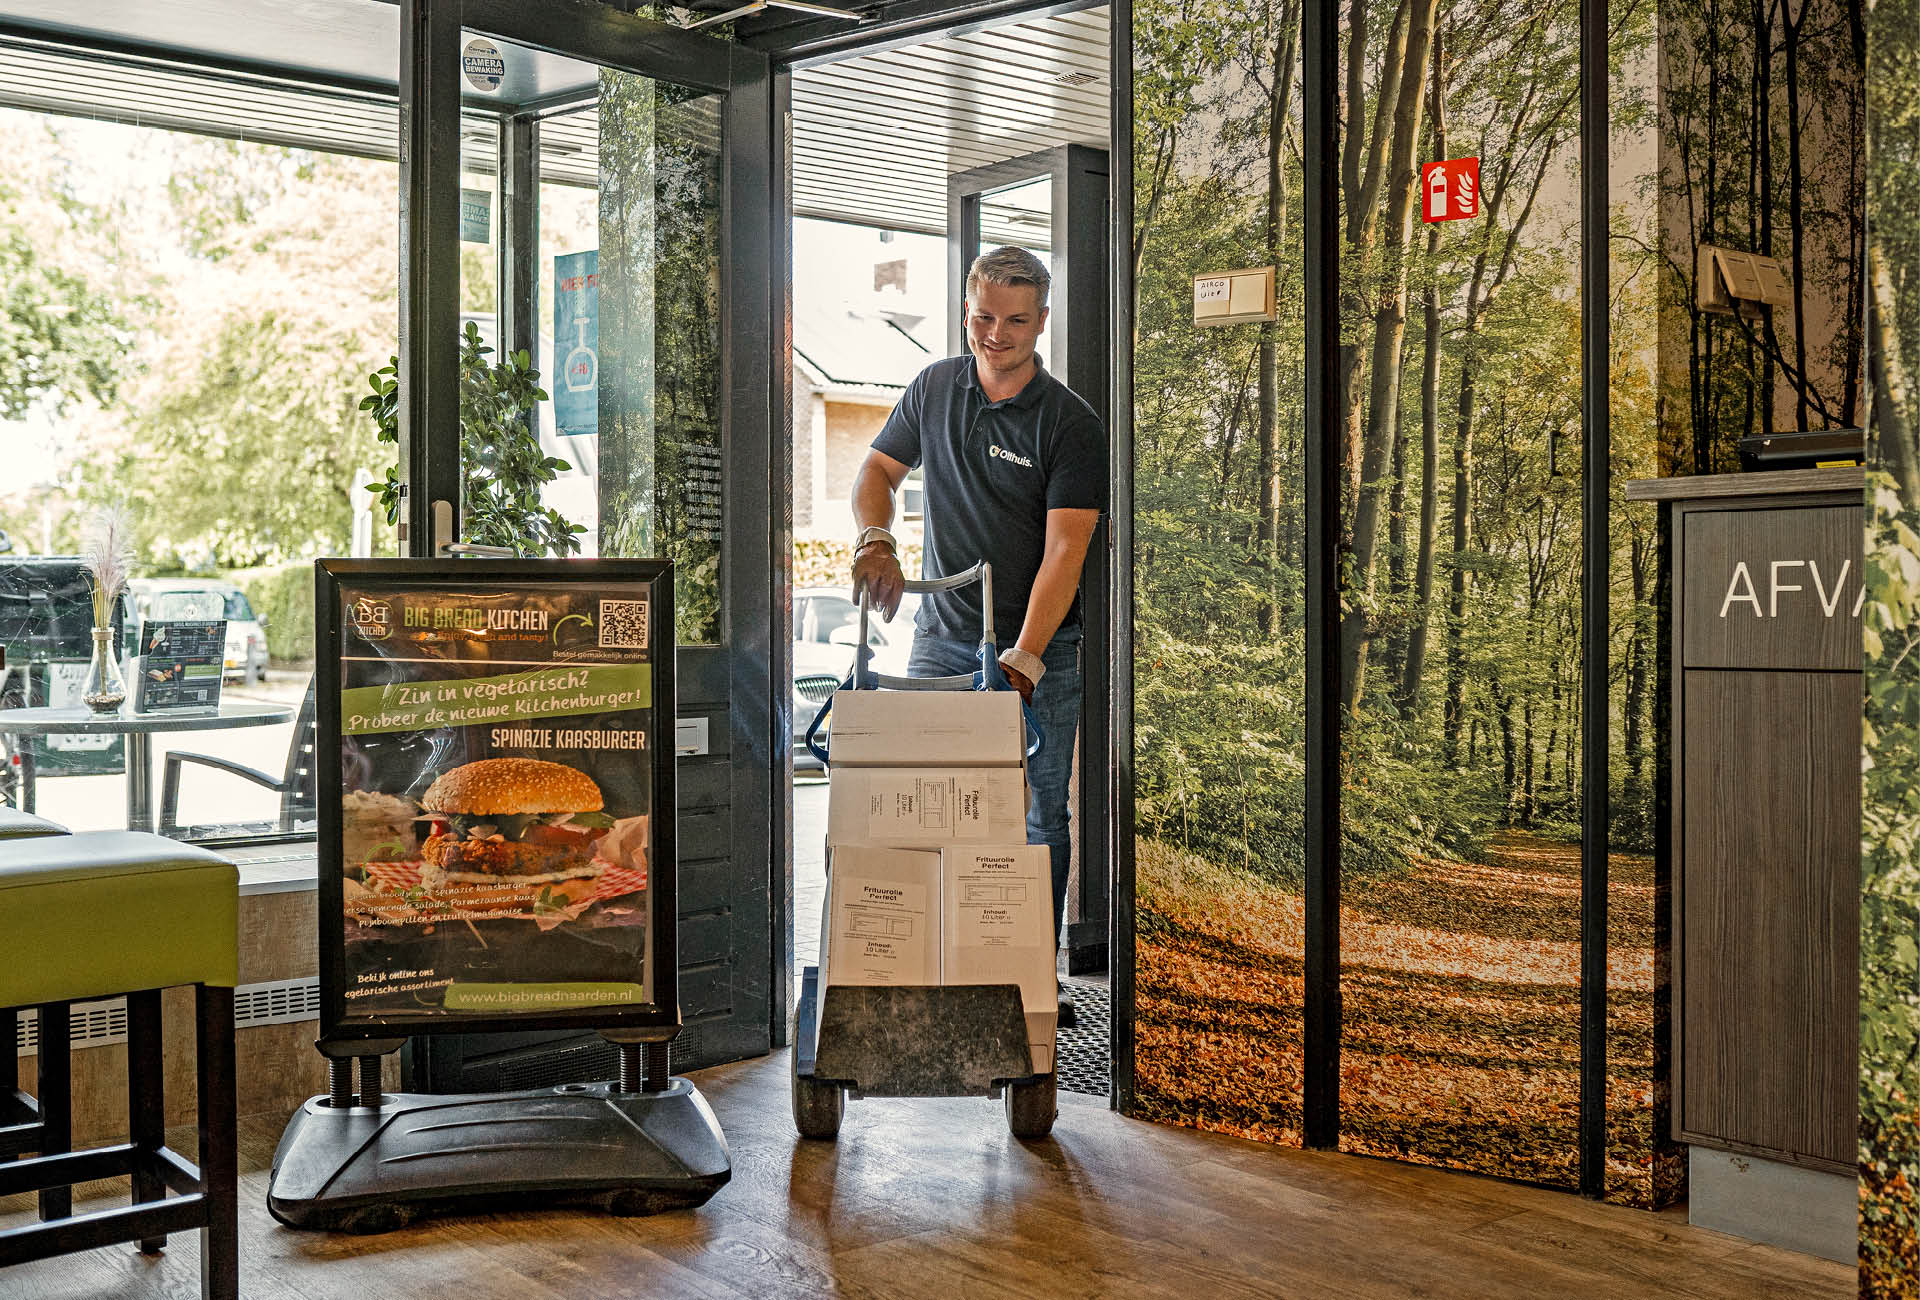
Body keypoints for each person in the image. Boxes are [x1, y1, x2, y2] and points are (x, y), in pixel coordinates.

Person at [849, 245, 1104, 1026]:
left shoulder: (1069, 423)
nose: (996, 335)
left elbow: (1067, 549)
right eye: (984, 316)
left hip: (1043, 646)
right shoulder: (933, 388)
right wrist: (874, 540)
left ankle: (1032, 968)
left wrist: (1025, 655)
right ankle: (931, 954)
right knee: (928, 800)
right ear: (968, 308)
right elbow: (877, 472)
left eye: (1016, 321)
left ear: (1043, 321)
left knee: (1034, 813)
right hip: (941, 635)